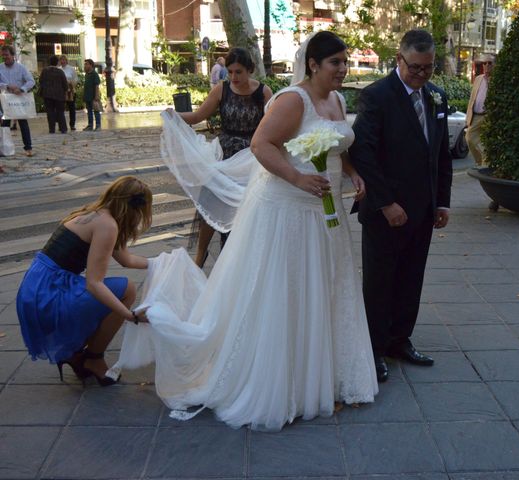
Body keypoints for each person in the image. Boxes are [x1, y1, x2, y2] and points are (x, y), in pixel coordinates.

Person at [114, 31, 378, 431]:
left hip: (325, 211)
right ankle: (278, 379)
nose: (343, 70)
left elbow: (338, 149)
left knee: (324, 286)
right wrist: (296, 178)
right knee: (284, 290)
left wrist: (354, 175)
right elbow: (261, 145)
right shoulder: (293, 100)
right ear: (313, 64)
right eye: (336, 63)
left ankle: (319, 373)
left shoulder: (338, 100)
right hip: (289, 209)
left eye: (344, 62)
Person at [349, 29, 453, 382]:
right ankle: (374, 349)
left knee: (411, 278)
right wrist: (386, 203)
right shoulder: (376, 96)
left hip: (423, 210)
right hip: (385, 212)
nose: (422, 75)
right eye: (415, 68)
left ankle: (399, 340)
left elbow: (441, 155)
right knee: (379, 283)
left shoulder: (436, 97)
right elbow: (362, 151)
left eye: (429, 68)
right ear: (399, 59)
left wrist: (443, 202)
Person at [16, 176, 152, 386]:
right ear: (135, 209)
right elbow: (94, 283)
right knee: (127, 289)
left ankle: (76, 353)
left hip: (36, 287)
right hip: (49, 294)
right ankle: (93, 359)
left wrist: (159, 262)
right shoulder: (107, 226)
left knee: (115, 293)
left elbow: (126, 259)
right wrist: (130, 315)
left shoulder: (95, 213)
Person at [180, 48, 272, 267]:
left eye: (238, 72)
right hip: (223, 156)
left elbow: (272, 127)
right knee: (211, 204)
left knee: (244, 211)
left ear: (249, 70)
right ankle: (199, 258)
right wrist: (173, 116)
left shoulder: (263, 93)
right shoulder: (221, 90)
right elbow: (198, 116)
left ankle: (237, 260)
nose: (233, 77)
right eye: (230, 72)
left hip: (251, 159)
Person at [0, 45, 34, 157]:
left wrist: (22, 89)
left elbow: (31, 81)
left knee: (23, 123)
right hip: (5, 100)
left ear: (13, 55)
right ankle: (5, 148)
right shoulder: (0, 67)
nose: (5, 57)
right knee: (5, 125)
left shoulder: (21, 68)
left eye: (7, 55)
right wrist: (7, 86)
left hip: (19, 99)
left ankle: (28, 148)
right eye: (3, 55)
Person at [465, 53, 495, 166]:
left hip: (489, 116)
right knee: (469, 138)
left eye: (490, 63)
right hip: (476, 116)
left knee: (487, 142)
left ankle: (485, 164)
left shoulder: (497, 80)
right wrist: (468, 117)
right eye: (484, 63)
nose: (486, 65)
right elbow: (472, 99)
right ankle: (479, 161)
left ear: (495, 65)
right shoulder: (478, 79)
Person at [38, 55, 68, 134]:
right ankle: (63, 128)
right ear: (57, 62)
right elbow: (65, 84)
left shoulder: (44, 71)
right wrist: (65, 91)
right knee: (60, 111)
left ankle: (52, 129)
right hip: (59, 95)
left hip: (47, 95)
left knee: (50, 111)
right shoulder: (60, 72)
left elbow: (40, 81)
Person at [59, 55, 78, 131]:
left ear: (66, 61)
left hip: (70, 92)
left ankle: (72, 124)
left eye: (64, 60)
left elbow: (76, 79)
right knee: (60, 109)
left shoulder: (71, 69)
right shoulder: (59, 69)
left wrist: (71, 83)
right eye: (61, 60)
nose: (62, 61)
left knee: (72, 109)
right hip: (61, 92)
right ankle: (62, 125)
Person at [83, 59, 101, 131]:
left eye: (86, 64)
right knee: (89, 111)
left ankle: (98, 125)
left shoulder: (94, 74)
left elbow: (97, 85)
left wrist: (96, 96)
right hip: (87, 96)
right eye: (85, 64)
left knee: (96, 110)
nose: (85, 66)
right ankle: (90, 125)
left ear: (91, 65)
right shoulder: (87, 74)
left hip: (93, 96)